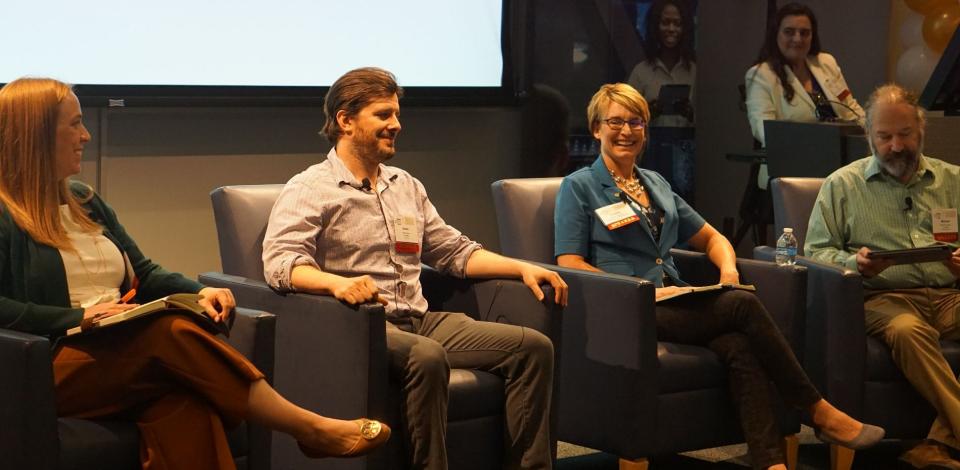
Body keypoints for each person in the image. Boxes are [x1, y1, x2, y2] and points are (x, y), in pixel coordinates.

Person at [0, 77, 391, 470]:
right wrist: (76, 317)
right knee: (167, 332)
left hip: (116, 349)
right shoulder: (5, 214)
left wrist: (197, 292)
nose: (85, 135)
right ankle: (308, 427)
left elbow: (146, 273)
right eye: (74, 124)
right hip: (43, 363)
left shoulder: (85, 201)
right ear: (35, 134)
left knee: (186, 407)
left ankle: (306, 429)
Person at [553, 82, 883, 470]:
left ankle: (771, 463)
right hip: (628, 310)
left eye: (635, 122)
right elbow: (569, 262)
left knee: (738, 346)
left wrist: (727, 271)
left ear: (645, 129)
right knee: (741, 304)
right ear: (596, 128)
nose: (626, 131)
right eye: (615, 122)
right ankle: (818, 409)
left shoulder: (655, 183)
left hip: (674, 298)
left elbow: (713, 238)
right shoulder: (580, 187)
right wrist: (632, 292)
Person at [261, 67, 568, 470]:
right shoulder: (310, 188)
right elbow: (281, 263)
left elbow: (454, 252)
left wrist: (522, 268)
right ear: (345, 120)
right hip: (360, 326)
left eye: (396, 115)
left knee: (532, 348)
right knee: (426, 357)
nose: (396, 125)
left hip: (419, 319)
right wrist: (336, 284)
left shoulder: (406, 184)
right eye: (383, 115)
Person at [805, 83, 960, 470]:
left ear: (920, 130)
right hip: (884, 298)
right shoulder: (842, 185)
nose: (895, 146)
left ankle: (936, 444)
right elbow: (814, 252)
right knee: (909, 331)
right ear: (869, 137)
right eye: (884, 136)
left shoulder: (953, 180)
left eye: (904, 134)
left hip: (948, 294)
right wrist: (853, 262)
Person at [745, 2, 865, 147]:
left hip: (841, 159)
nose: (797, 39)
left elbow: (850, 109)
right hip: (792, 162)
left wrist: (875, 133)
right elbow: (765, 132)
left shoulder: (826, 62)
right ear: (775, 34)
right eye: (789, 32)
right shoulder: (761, 75)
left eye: (804, 33)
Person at [626, 0, 696, 202]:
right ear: (655, 26)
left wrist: (689, 112)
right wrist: (648, 112)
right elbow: (626, 118)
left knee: (685, 206)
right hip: (652, 151)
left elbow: (711, 119)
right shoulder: (642, 72)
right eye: (665, 22)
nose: (672, 29)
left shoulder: (695, 71)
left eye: (678, 23)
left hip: (687, 150)